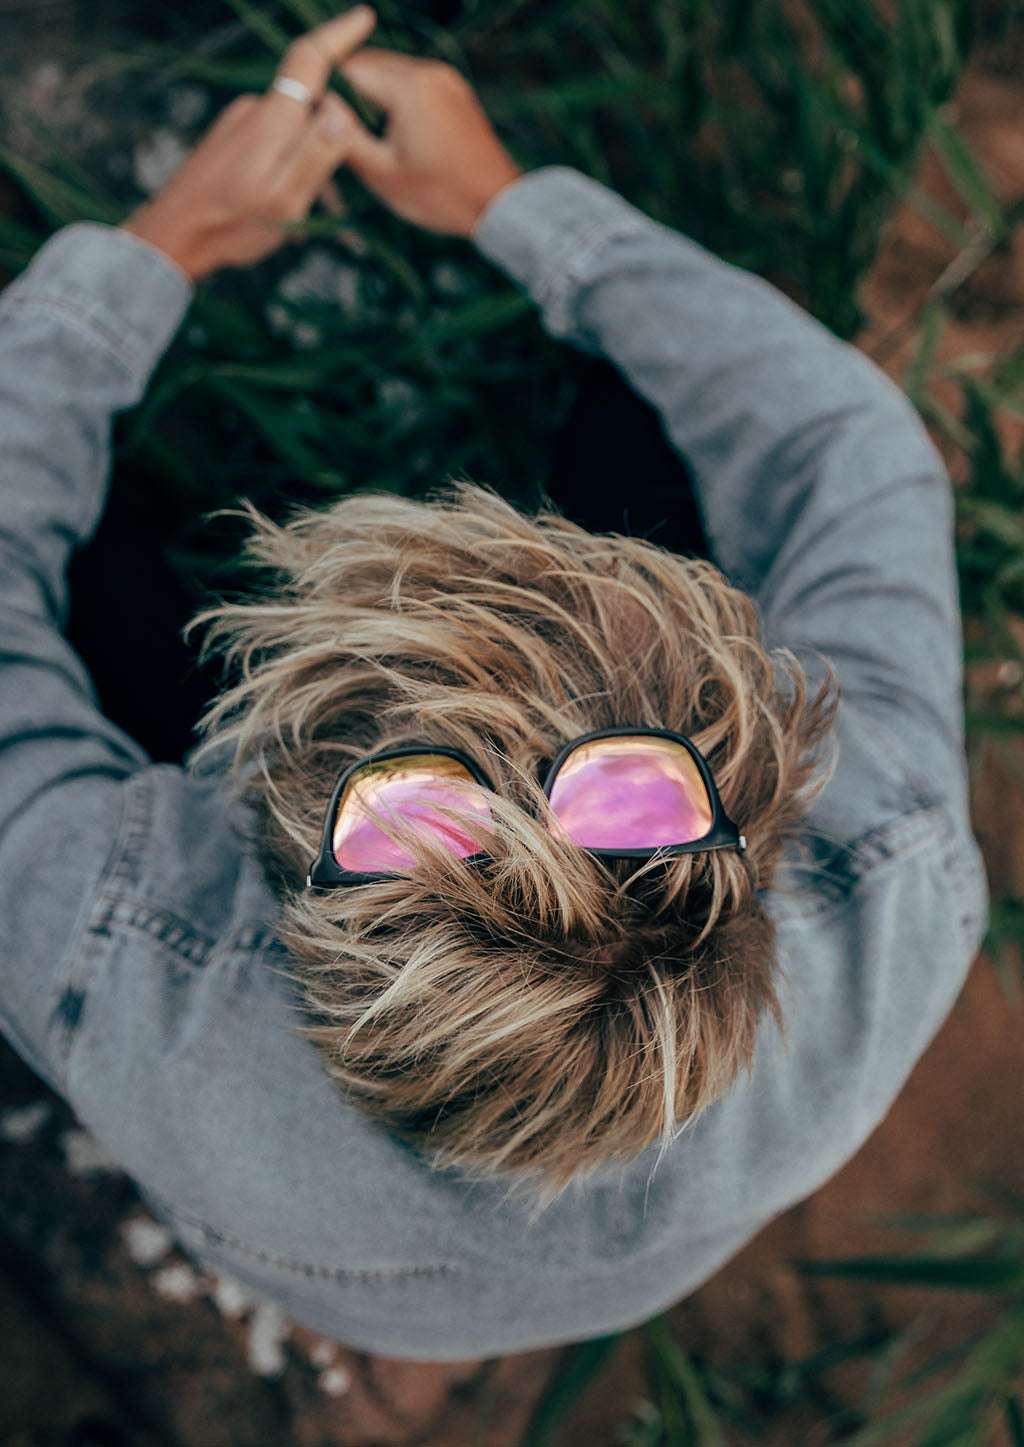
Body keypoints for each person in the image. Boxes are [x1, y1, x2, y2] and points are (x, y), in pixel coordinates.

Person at [0, 6, 989, 1361]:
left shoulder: (125, 960)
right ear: (764, 832)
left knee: (95, 603)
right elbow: (848, 454)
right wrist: (517, 206)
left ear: (274, 824)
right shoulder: (889, 884)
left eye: (407, 797)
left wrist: (164, 244)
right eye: (639, 782)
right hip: (503, 1281)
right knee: (654, 453)